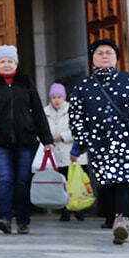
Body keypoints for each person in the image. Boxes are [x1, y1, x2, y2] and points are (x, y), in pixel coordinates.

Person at [68, 39, 129, 244]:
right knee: (108, 183)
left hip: (126, 142)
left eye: (109, 52)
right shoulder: (83, 86)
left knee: (124, 181)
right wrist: (82, 140)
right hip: (99, 143)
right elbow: (75, 117)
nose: (104, 56)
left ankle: (122, 222)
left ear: (116, 58)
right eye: (99, 53)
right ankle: (118, 220)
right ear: (92, 58)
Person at [0, 46, 54, 235]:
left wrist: (47, 139)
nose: (6, 65)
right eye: (3, 61)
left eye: (10, 61)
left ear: (16, 63)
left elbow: (39, 112)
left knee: (22, 181)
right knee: (5, 179)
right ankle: (5, 218)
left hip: (25, 140)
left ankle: (23, 221)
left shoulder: (26, 83)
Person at [43, 83, 83, 221]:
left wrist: (62, 136)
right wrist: (47, 140)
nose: (56, 100)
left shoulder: (73, 110)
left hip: (72, 153)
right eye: (53, 97)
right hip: (54, 154)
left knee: (74, 183)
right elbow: (40, 130)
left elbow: (79, 130)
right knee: (61, 183)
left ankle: (78, 209)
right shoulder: (45, 112)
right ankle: (64, 210)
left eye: (59, 97)